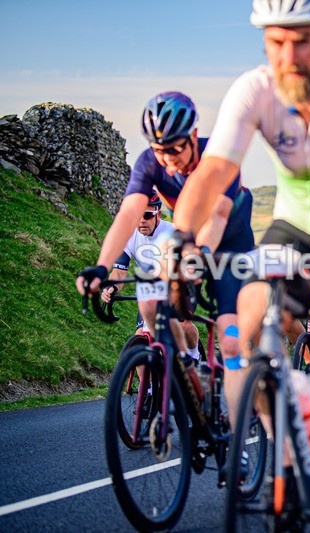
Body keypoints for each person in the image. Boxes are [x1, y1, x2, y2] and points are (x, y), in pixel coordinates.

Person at [169, 0, 310, 506]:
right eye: (276, 41)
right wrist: (180, 236)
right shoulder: (254, 88)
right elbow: (211, 173)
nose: (288, 55)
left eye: (302, 40)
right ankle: (285, 447)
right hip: (293, 225)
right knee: (248, 325)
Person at [76, 91, 255, 435]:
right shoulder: (150, 162)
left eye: (174, 148)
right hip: (190, 238)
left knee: (230, 340)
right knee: (149, 300)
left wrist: (195, 260)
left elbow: (217, 217)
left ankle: (240, 407)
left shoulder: (219, 157)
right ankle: (187, 369)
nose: (167, 159)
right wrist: (102, 266)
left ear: (192, 137)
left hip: (230, 245)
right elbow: (129, 213)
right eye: (159, 149)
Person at [102, 189, 200, 355]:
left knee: (184, 325)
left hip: (180, 282)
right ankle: (146, 382)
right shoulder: (128, 235)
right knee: (139, 342)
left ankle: (194, 358)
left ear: (158, 214)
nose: (141, 221)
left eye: (147, 215)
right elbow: (118, 273)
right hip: (152, 288)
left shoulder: (173, 232)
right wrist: (112, 288)